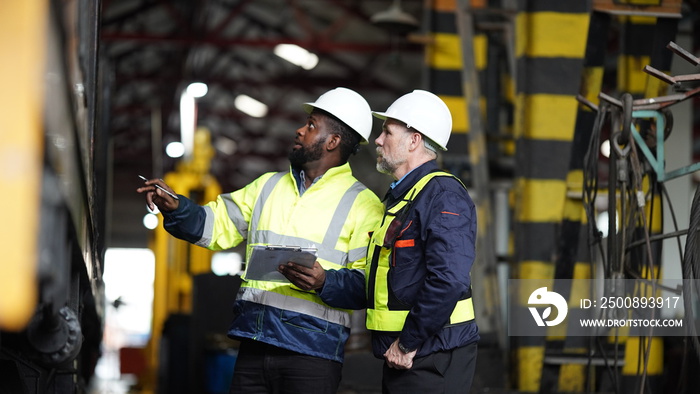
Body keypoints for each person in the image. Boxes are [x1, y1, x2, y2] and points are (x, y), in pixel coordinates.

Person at [137, 87, 384, 394]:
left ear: (332, 141)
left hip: (312, 357)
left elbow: (369, 285)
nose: (300, 129)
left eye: (311, 126)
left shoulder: (363, 205)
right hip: (255, 344)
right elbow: (215, 226)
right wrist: (177, 206)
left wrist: (324, 282)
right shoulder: (267, 186)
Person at [279, 90, 479, 393]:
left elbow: (448, 280)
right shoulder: (404, 199)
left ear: (414, 140)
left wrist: (408, 342)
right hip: (408, 354)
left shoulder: (442, 195)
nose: (378, 140)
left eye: (387, 132)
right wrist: (324, 282)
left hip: (431, 355)